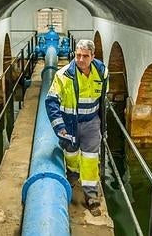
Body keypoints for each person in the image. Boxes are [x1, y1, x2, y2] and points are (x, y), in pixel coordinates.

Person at [45, 39, 109, 215]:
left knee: (90, 158)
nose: (80, 59)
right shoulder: (63, 75)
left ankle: (91, 195)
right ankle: (72, 175)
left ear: (93, 56)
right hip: (70, 123)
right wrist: (60, 128)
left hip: (91, 122)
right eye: (78, 55)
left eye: (85, 56)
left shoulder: (101, 72)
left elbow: (103, 100)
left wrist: (103, 125)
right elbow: (51, 102)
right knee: (71, 154)